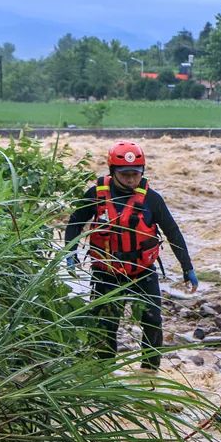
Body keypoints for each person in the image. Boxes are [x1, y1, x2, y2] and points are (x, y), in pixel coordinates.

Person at [65, 140, 199, 371]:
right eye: (125, 174)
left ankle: (149, 374)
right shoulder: (96, 195)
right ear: (112, 172)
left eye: (135, 174)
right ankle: (103, 373)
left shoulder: (152, 199)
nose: (130, 179)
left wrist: (187, 267)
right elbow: (75, 222)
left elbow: (173, 233)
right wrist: (71, 252)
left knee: (152, 320)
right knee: (105, 325)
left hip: (142, 272)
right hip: (106, 274)